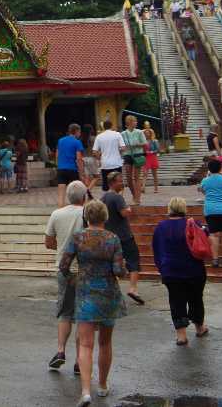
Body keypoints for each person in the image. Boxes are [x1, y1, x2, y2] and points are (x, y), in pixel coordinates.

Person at [60, 200, 127, 405]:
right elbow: (118, 271)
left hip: (86, 293)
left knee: (86, 345)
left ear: (86, 217)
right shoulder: (113, 239)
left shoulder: (77, 237)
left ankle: (86, 391)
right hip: (108, 294)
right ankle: (103, 385)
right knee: (105, 343)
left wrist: (74, 279)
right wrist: (124, 269)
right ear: (105, 217)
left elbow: (64, 266)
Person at [152, 196, 208, 345]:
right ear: (184, 208)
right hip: (194, 269)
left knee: (176, 300)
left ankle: (181, 335)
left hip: (171, 271)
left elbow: (157, 249)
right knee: (196, 299)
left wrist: (161, 268)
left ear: (169, 209)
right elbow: (205, 239)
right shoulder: (193, 223)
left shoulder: (161, 227)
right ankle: (199, 327)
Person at [45, 180, 88, 375]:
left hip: (64, 268)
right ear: (84, 197)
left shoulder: (56, 214)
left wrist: (62, 248)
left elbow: (48, 242)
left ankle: (60, 351)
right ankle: (80, 360)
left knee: (65, 312)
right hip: (86, 270)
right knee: (82, 315)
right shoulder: (89, 214)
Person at [101, 172, 144, 305]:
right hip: (124, 236)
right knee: (133, 260)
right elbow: (124, 212)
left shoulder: (103, 198)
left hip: (109, 236)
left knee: (110, 263)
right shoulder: (117, 197)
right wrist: (129, 209)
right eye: (120, 181)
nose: (122, 183)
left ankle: (108, 290)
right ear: (113, 183)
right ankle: (133, 288)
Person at [198, 159, 222, 268]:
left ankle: (215, 260)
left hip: (211, 210)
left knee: (214, 235)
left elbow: (201, 190)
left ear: (209, 169)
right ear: (221, 168)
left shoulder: (205, 181)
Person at [55, 124, 86, 207]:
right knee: (76, 193)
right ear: (76, 131)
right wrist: (82, 173)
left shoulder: (60, 140)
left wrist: (58, 166)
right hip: (73, 169)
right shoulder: (77, 142)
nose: (80, 134)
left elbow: (57, 155)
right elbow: (79, 159)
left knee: (61, 195)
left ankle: (60, 211)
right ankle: (76, 211)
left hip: (61, 169)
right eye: (79, 132)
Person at [120, 115, 146, 206]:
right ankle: (134, 195)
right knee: (128, 177)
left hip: (138, 154)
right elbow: (121, 146)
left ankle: (137, 198)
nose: (136, 123)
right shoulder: (123, 134)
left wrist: (135, 145)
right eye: (134, 121)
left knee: (136, 177)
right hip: (127, 155)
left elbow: (144, 143)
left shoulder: (139, 132)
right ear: (129, 123)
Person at [93, 120, 125, 194]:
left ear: (103, 127)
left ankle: (107, 202)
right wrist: (118, 152)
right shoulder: (117, 134)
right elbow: (123, 148)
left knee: (106, 186)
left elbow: (94, 152)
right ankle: (119, 201)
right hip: (116, 163)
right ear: (112, 126)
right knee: (119, 184)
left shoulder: (99, 136)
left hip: (105, 164)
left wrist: (100, 158)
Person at [81, 124, 100, 191]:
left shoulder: (81, 139)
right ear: (91, 130)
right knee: (97, 177)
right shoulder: (94, 138)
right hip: (92, 158)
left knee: (87, 177)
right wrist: (99, 158)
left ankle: (85, 191)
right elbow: (96, 150)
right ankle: (88, 190)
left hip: (83, 158)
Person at [143, 127, 161, 194]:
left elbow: (158, 150)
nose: (147, 134)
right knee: (145, 173)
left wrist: (152, 152)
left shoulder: (154, 141)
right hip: (146, 158)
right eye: (145, 133)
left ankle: (156, 188)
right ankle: (143, 187)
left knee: (154, 174)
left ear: (151, 134)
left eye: (148, 133)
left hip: (153, 157)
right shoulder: (143, 141)